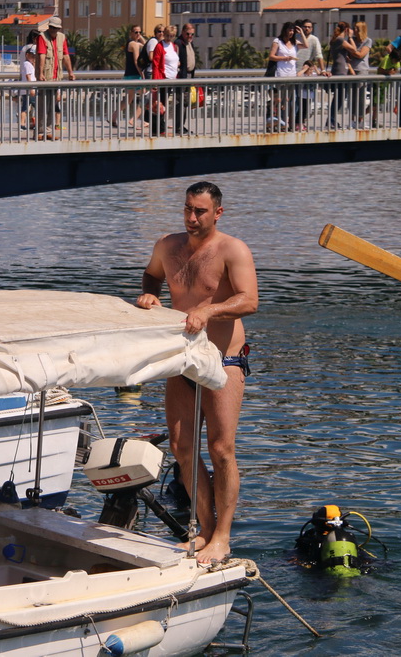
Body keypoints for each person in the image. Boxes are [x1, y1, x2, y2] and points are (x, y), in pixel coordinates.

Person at [135, 181, 258, 564]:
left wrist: (208, 310)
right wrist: (150, 295)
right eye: (187, 209)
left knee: (221, 449)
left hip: (224, 360)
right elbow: (152, 275)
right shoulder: (167, 246)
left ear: (217, 213)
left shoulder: (232, 249)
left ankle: (223, 536)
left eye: (200, 211)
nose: (191, 218)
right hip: (183, 359)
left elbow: (249, 300)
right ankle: (204, 530)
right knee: (181, 447)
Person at [35, 16, 75, 140]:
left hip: (56, 77)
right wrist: (40, 73)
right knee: (43, 104)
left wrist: (70, 72)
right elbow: (42, 55)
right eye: (51, 27)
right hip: (45, 77)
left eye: (56, 28)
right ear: (49, 27)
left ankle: (49, 130)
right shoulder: (42, 37)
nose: (53, 30)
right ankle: (41, 132)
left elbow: (66, 55)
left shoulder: (62, 38)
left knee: (52, 105)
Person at [267, 21, 305, 131]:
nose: (291, 32)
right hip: (281, 74)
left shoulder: (295, 42)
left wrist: (301, 32)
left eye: (293, 30)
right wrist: (285, 58)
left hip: (292, 75)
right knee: (281, 101)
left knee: (291, 102)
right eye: (290, 30)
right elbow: (271, 56)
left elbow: (306, 45)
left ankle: (289, 124)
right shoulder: (277, 41)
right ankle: (280, 124)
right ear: (285, 30)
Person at [111, 25, 144, 129]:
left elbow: (147, 44)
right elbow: (136, 60)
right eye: (135, 32)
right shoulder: (134, 44)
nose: (138, 34)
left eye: (139, 32)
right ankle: (133, 119)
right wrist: (142, 74)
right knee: (147, 97)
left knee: (128, 100)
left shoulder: (133, 43)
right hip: (135, 75)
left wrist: (140, 36)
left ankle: (113, 117)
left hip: (129, 75)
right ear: (131, 33)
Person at [151, 25, 179, 135]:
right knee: (160, 104)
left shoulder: (173, 46)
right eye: (167, 35)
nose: (168, 38)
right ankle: (159, 129)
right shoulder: (159, 46)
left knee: (164, 104)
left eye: (171, 36)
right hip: (163, 78)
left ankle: (159, 128)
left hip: (172, 79)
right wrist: (156, 81)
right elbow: (156, 64)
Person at [174, 24, 198, 134]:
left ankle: (181, 125)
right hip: (182, 76)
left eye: (192, 34)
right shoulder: (179, 43)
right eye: (188, 34)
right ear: (183, 32)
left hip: (189, 76)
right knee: (180, 101)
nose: (190, 36)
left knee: (186, 102)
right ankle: (178, 127)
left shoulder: (190, 43)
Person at [347, 21, 373, 127]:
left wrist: (353, 52)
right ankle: (352, 120)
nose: (354, 31)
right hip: (351, 70)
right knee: (352, 96)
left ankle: (361, 120)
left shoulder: (368, 41)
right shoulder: (351, 40)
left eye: (356, 28)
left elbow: (361, 54)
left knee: (361, 96)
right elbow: (347, 55)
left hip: (362, 70)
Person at [19, 47, 36, 131]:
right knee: (37, 106)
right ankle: (35, 123)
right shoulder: (27, 64)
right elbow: (28, 76)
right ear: (27, 55)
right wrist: (32, 88)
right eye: (32, 56)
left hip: (26, 90)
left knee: (25, 107)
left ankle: (22, 124)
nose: (33, 58)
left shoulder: (27, 64)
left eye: (34, 56)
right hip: (29, 90)